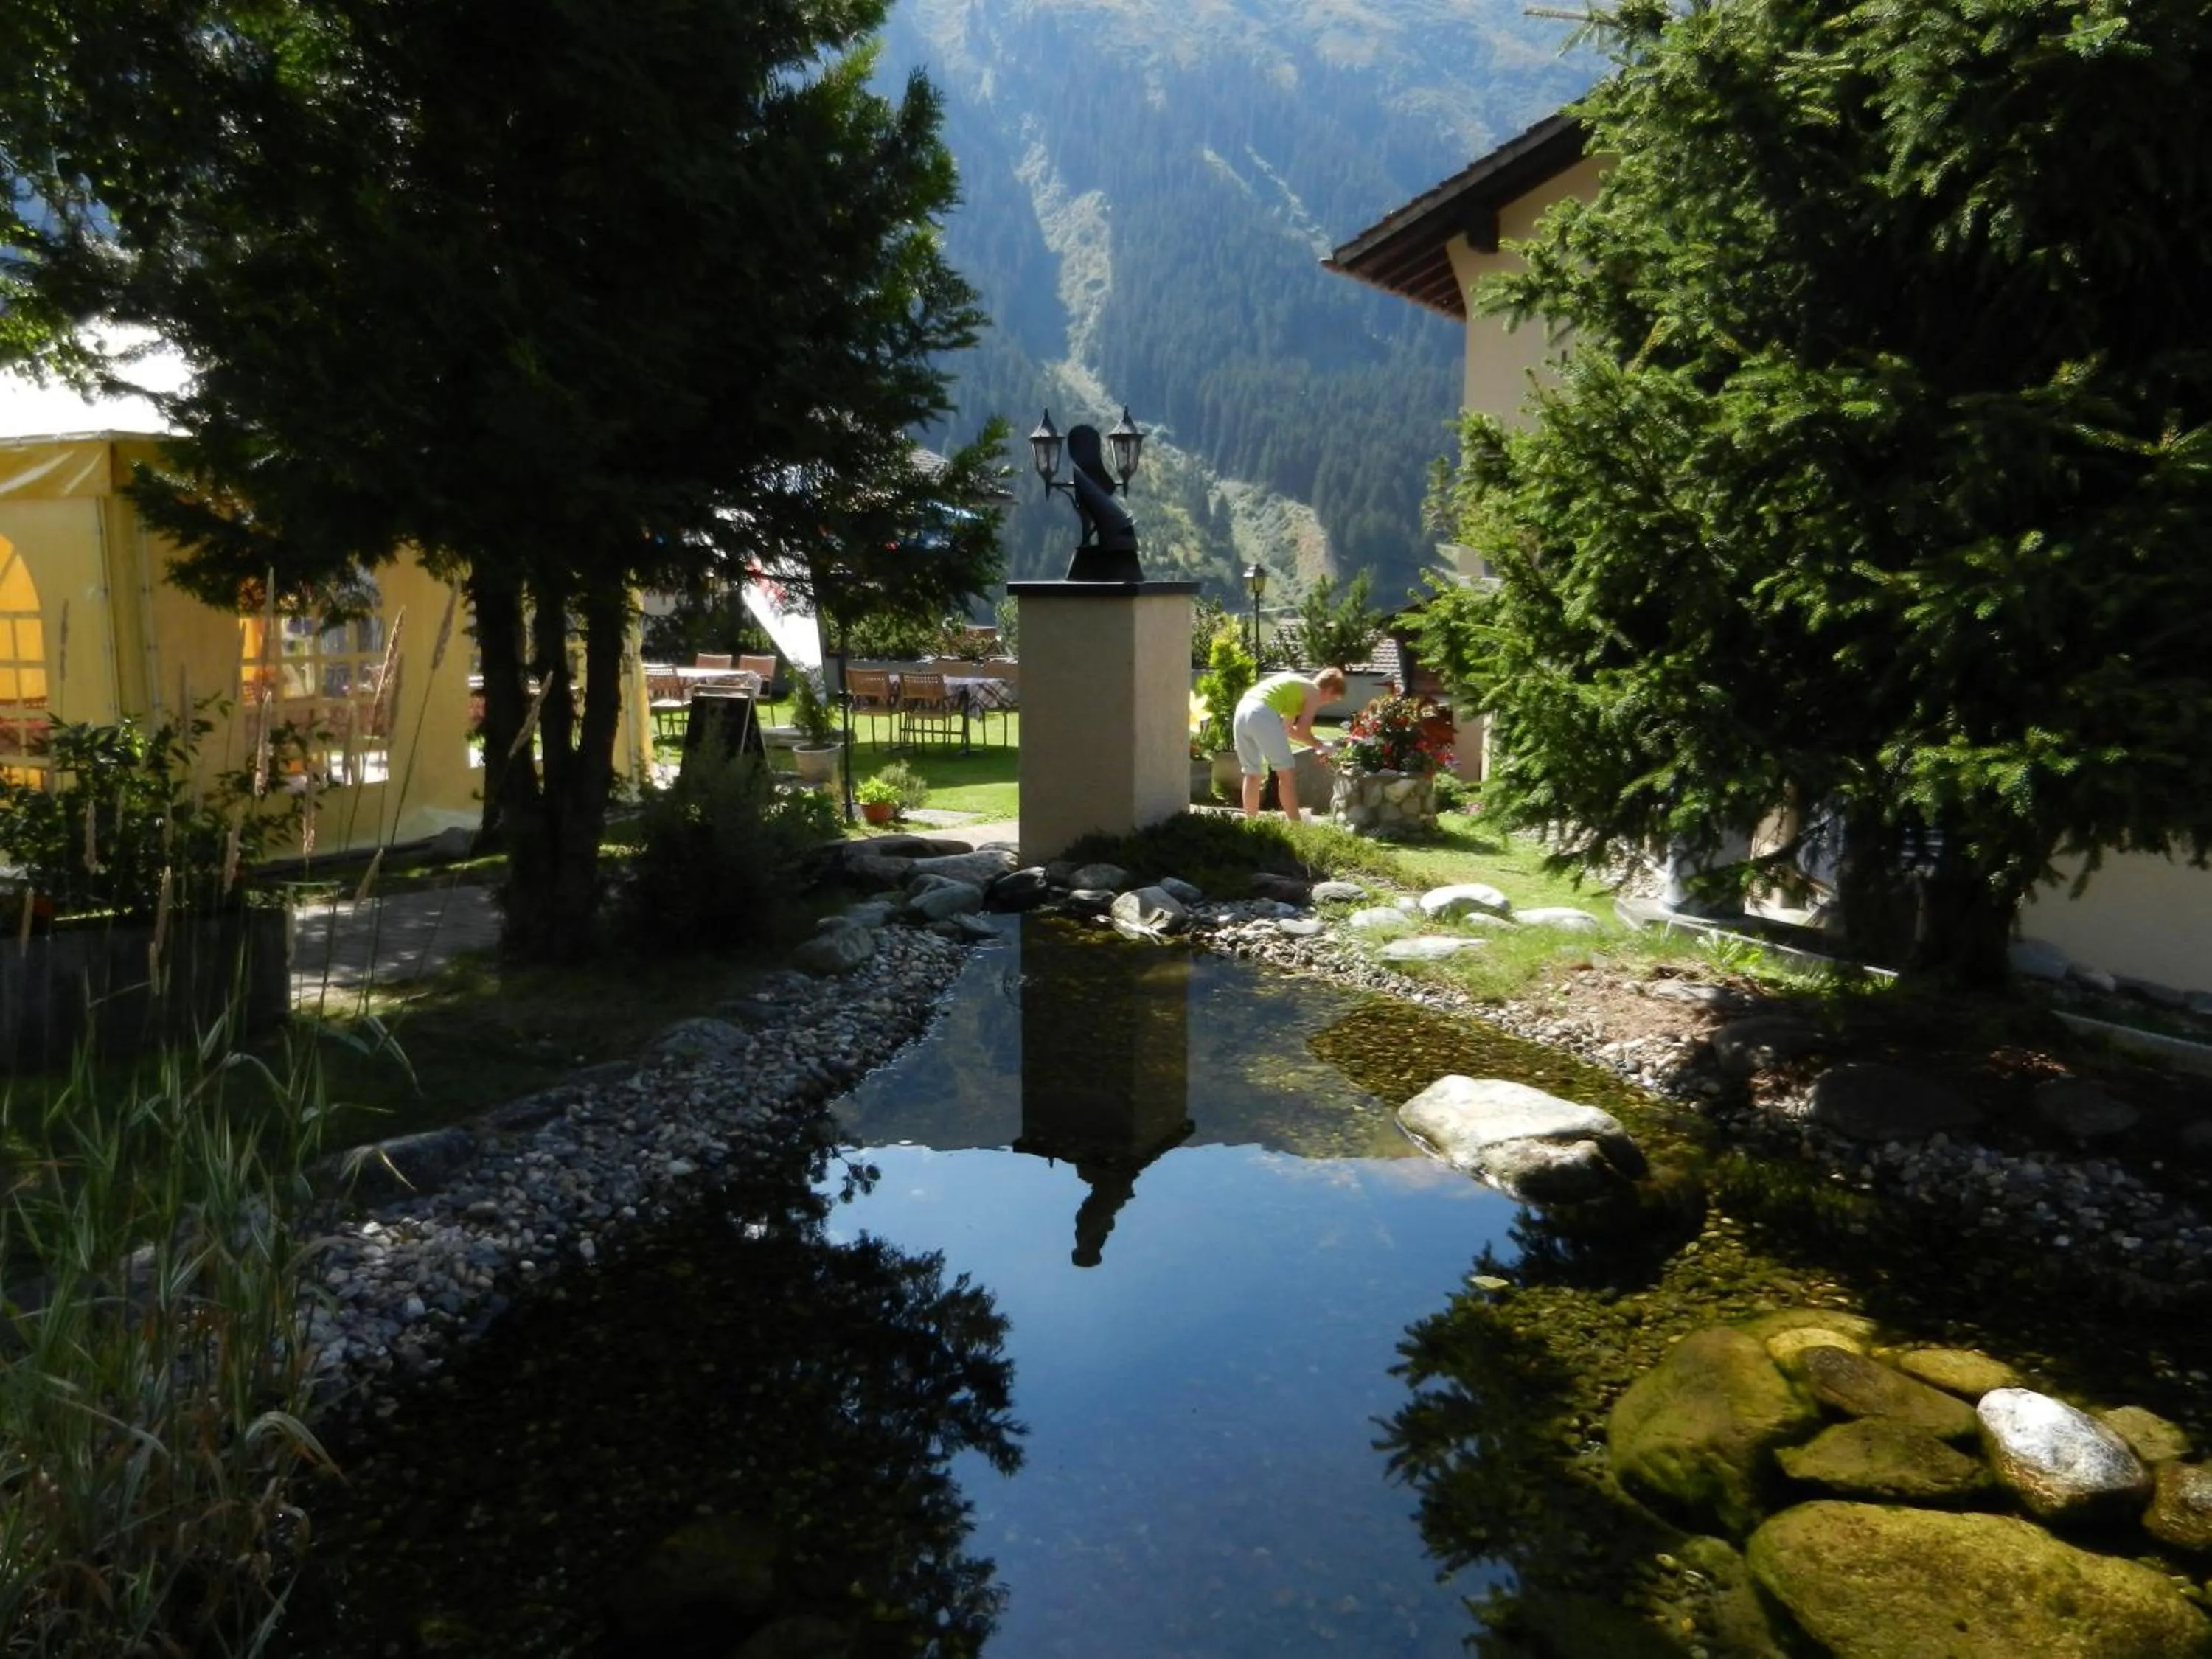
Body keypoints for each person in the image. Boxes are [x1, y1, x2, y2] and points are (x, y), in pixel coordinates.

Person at [1233, 666, 1346, 821]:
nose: (1326, 704)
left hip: (1242, 710)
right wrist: (1322, 746)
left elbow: (1289, 730)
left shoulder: (1297, 687)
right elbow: (1302, 730)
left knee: (1252, 774)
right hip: (1262, 713)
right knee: (1286, 774)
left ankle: (1251, 823)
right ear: (1330, 689)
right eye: (1332, 700)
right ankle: (1296, 826)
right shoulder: (1313, 692)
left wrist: (1316, 743)